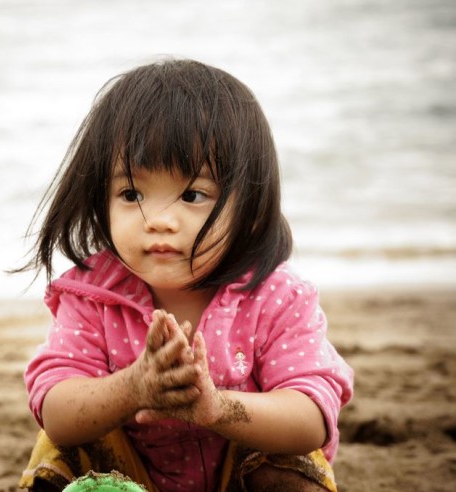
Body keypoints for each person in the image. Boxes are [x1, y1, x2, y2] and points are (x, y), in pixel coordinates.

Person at [17, 59, 354, 491]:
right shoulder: (92, 295)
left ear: (249, 207)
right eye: (131, 193)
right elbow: (57, 414)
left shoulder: (275, 295)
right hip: (126, 480)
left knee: (290, 461)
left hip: (240, 480)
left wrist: (216, 407)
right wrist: (133, 388)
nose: (158, 219)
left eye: (193, 195)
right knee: (59, 455)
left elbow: (311, 418)